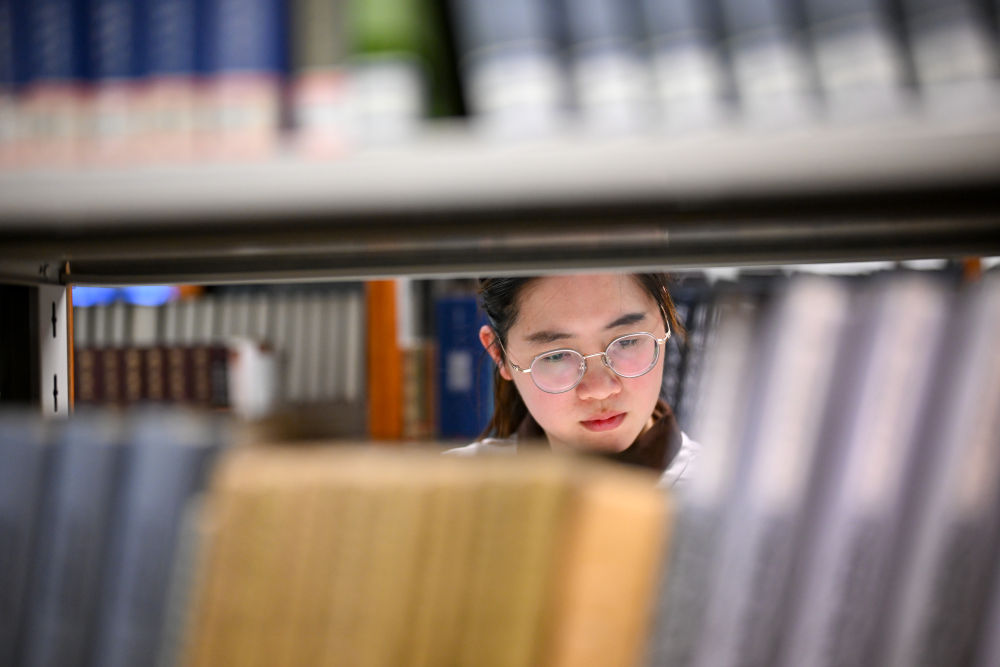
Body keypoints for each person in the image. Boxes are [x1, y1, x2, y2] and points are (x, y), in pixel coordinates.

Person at [447, 272, 698, 486]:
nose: (600, 389)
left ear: (665, 319)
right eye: (556, 356)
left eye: (627, 342)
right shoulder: (448, 495)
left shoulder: (715, 501)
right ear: (499, 355)